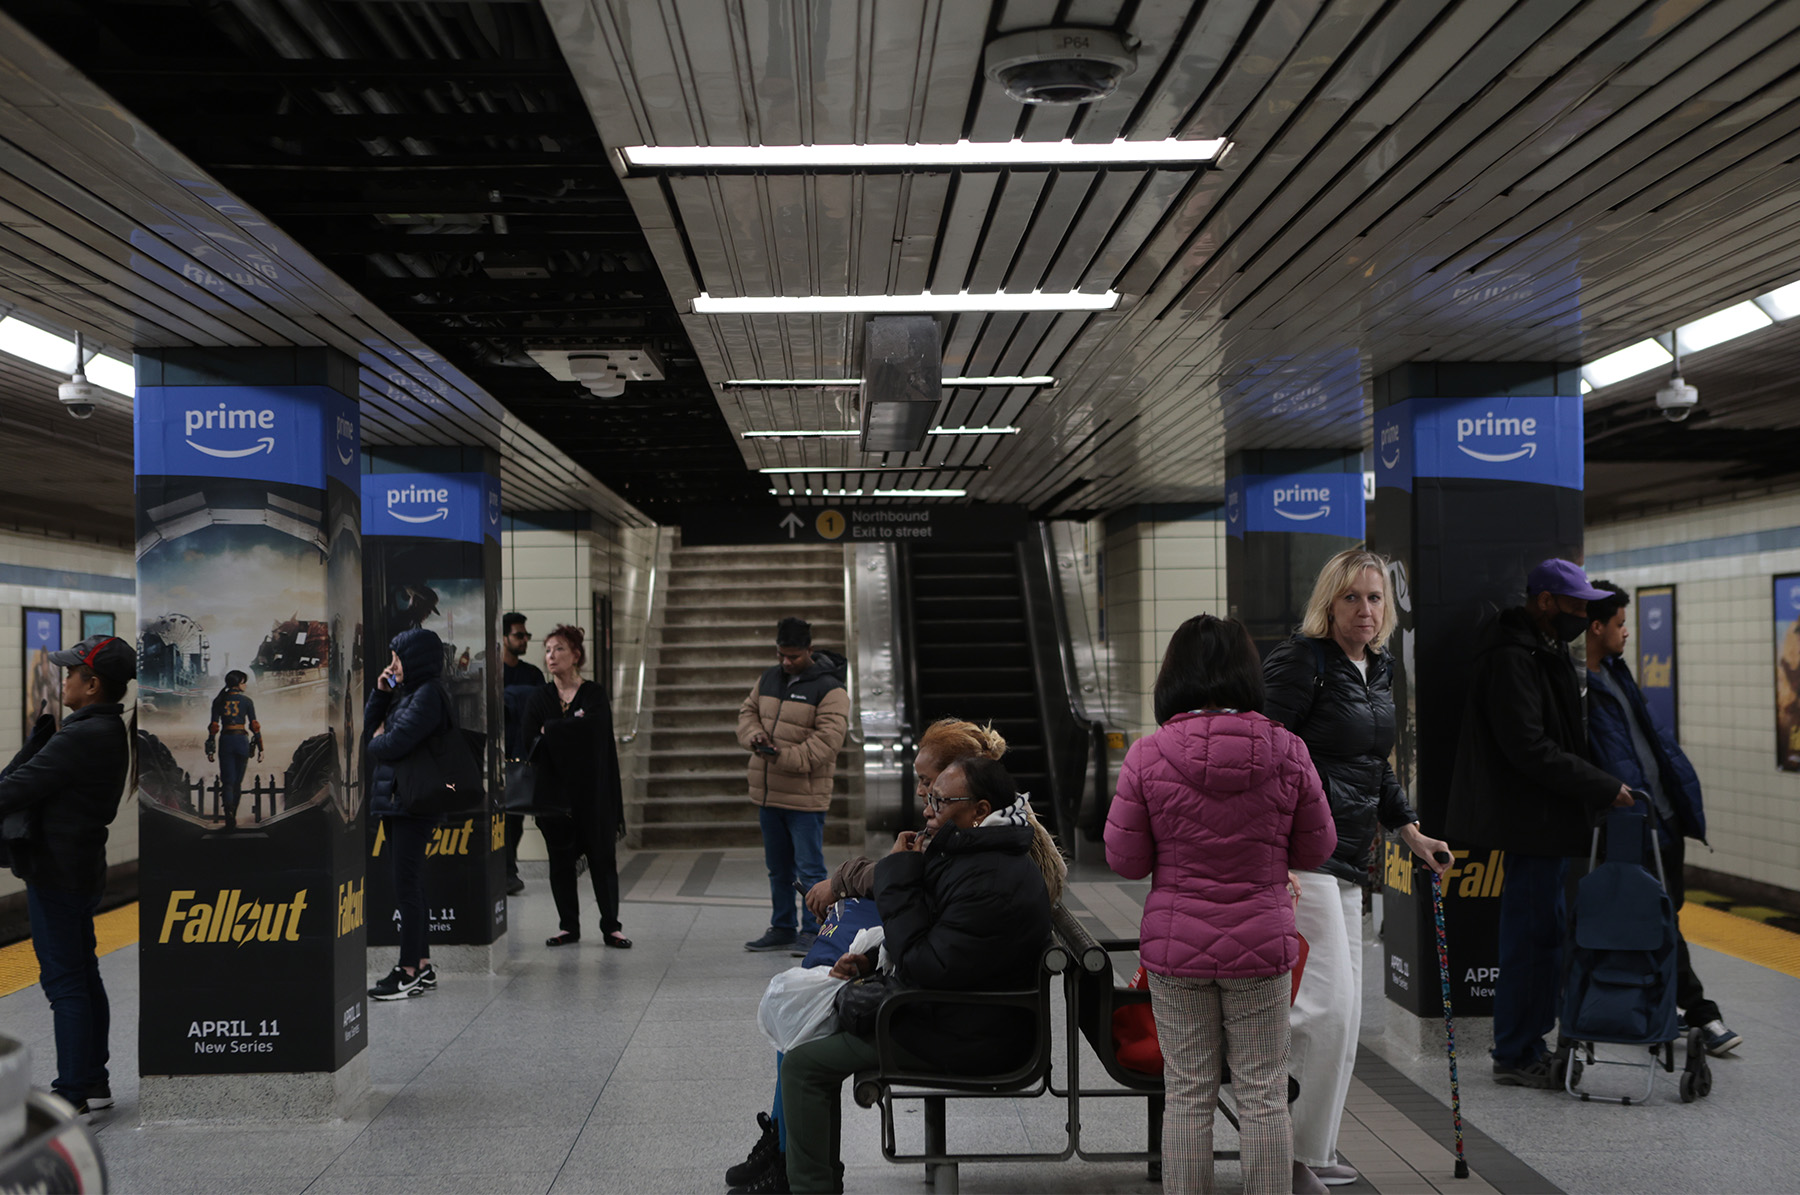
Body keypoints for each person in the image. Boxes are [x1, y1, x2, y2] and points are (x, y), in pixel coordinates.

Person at [731, 717, 1060, 1194]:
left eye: (937, 797)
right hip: (959, 1013)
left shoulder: (985, 873)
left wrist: (898, 873)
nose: (927, 808)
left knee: (803, 1058)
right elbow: (941, 943)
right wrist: (869, 962)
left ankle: (802, 1179)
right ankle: (791, 1160)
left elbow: (927, 961)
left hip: (967, 1030)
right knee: (804, 1024)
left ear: (978, 807)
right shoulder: (978, 853)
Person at [1106, 614, 1336, 1195]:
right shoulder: (1288, 749)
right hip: (1262, 945)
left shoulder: (1147, 755)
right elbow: (1319, 845)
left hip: (1176, 948)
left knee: (1187, 1093)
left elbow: (1126, 861)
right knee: (1262, 1092)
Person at [1262, 551, 1450, 1188]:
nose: (1364, 611)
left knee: (1344, 1014)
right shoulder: (1300, 661)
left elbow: (1375, 762)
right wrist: (1269, 852)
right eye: (1351, 599)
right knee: (1327, 1009)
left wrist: (1411, 831)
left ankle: (1311, 1150)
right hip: (1301, 856)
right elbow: (1262, 756)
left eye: (1374, 599)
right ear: (1328, 602)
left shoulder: (1378, 668)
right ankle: (1284, 1152)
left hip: (1352, 857)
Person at [1443, 559, 1634, 1088]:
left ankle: (1528, 1041)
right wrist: (1599, 785)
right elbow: (1527, 746)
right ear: (1545, 601)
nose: (1582, 615)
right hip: (1528, 822)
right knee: (1530, 939)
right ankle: (1516, 1051)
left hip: (1543, 822)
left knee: (1543, 935)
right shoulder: (1512, 657)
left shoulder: (1538, 648)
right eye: (1575, 605)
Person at [1584, 581, 1741, 1057]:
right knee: (1659, 921)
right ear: (1596, 627)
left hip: (1663, 818)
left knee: (1665, 915)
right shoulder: (1580, 688)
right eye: (1619, 623)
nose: (1627, 632)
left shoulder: (1615, 672)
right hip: (1632, 825)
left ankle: (1654, 1006)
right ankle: (1702, 1014)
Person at [0, 634, 133, 1115]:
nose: (65, 679)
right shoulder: (105, 730)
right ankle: (92, 1080)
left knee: (64, 983)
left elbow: (15, 789)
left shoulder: (83, 735)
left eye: (72, 673)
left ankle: (73, 1089)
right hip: (79, 867)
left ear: (92, 684)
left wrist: (35, 746)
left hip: (57, 871)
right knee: (83, 974)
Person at [739, 617, 848, 955]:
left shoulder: (831, 689)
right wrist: (753, 736)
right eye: (781, 655)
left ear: (810, 651)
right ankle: (783, 926)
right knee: (778, 868)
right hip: (769, 794)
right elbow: (748, 712)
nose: (786, 662)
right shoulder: (769, 677)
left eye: (794, 657)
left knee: (809, 868)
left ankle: (814, 930)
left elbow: (826, 744)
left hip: (805, 797)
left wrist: (780, 756)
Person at [523, 625, 629, 949]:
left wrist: (553, 729)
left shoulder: (593, 694)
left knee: (602, 858)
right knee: (560, 862)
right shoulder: (540, 696)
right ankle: (569, 925)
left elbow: (594, 734)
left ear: (576, 656)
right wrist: (568, 731)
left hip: (593, 794)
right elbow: (529, 741)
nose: (551, 656)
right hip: (554, 796)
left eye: (559, 650)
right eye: (548, 650)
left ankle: (611, 926)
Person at [365, 627, 452, 1001]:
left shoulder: (428, 694)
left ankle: (407, 971)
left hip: (412, 803)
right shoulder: (407, 692)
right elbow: (374, 729)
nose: (392, 665)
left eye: (398, 658)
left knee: (406, 887)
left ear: (415, 659)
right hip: (401, 801)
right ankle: (424, 965)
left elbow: (391, 742)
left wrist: (378, 740)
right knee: (412, 884)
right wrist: (381, 693)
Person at [500, 612, 544, 896]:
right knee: (502, 818)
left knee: (515, 816)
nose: (524, 639)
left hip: (523, 757)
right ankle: (504, 870)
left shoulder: (533, 674)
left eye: (526, 635)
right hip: (497, 755)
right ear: (503, 638)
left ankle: (508, 869)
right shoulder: (490, 671)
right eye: (519, 635)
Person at [204, 670, 262, 831]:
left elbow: (214, 727)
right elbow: (254, 726)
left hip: (225, 741)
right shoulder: (247, 701)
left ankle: (229, 813)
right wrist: (260, 747)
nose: (245, 685)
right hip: (241, 741)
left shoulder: (219, 701)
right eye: (244, 682)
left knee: (227, 782)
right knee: (237, 782)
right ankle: (233, 813)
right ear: (238, 683)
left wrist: (210, 748)